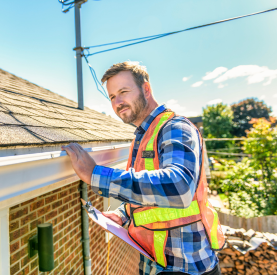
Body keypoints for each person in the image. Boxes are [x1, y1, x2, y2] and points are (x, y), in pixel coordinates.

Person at [62, 61, 224, 275]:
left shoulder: (174, 128)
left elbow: (180, 187)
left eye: (123, 91)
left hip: (187, 267)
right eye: (111, 97)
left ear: (146, 89)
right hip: (158, 263)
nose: (117, 102)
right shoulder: (143, 136)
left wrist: (96, 175)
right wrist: (123, 214)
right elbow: (151, 195)